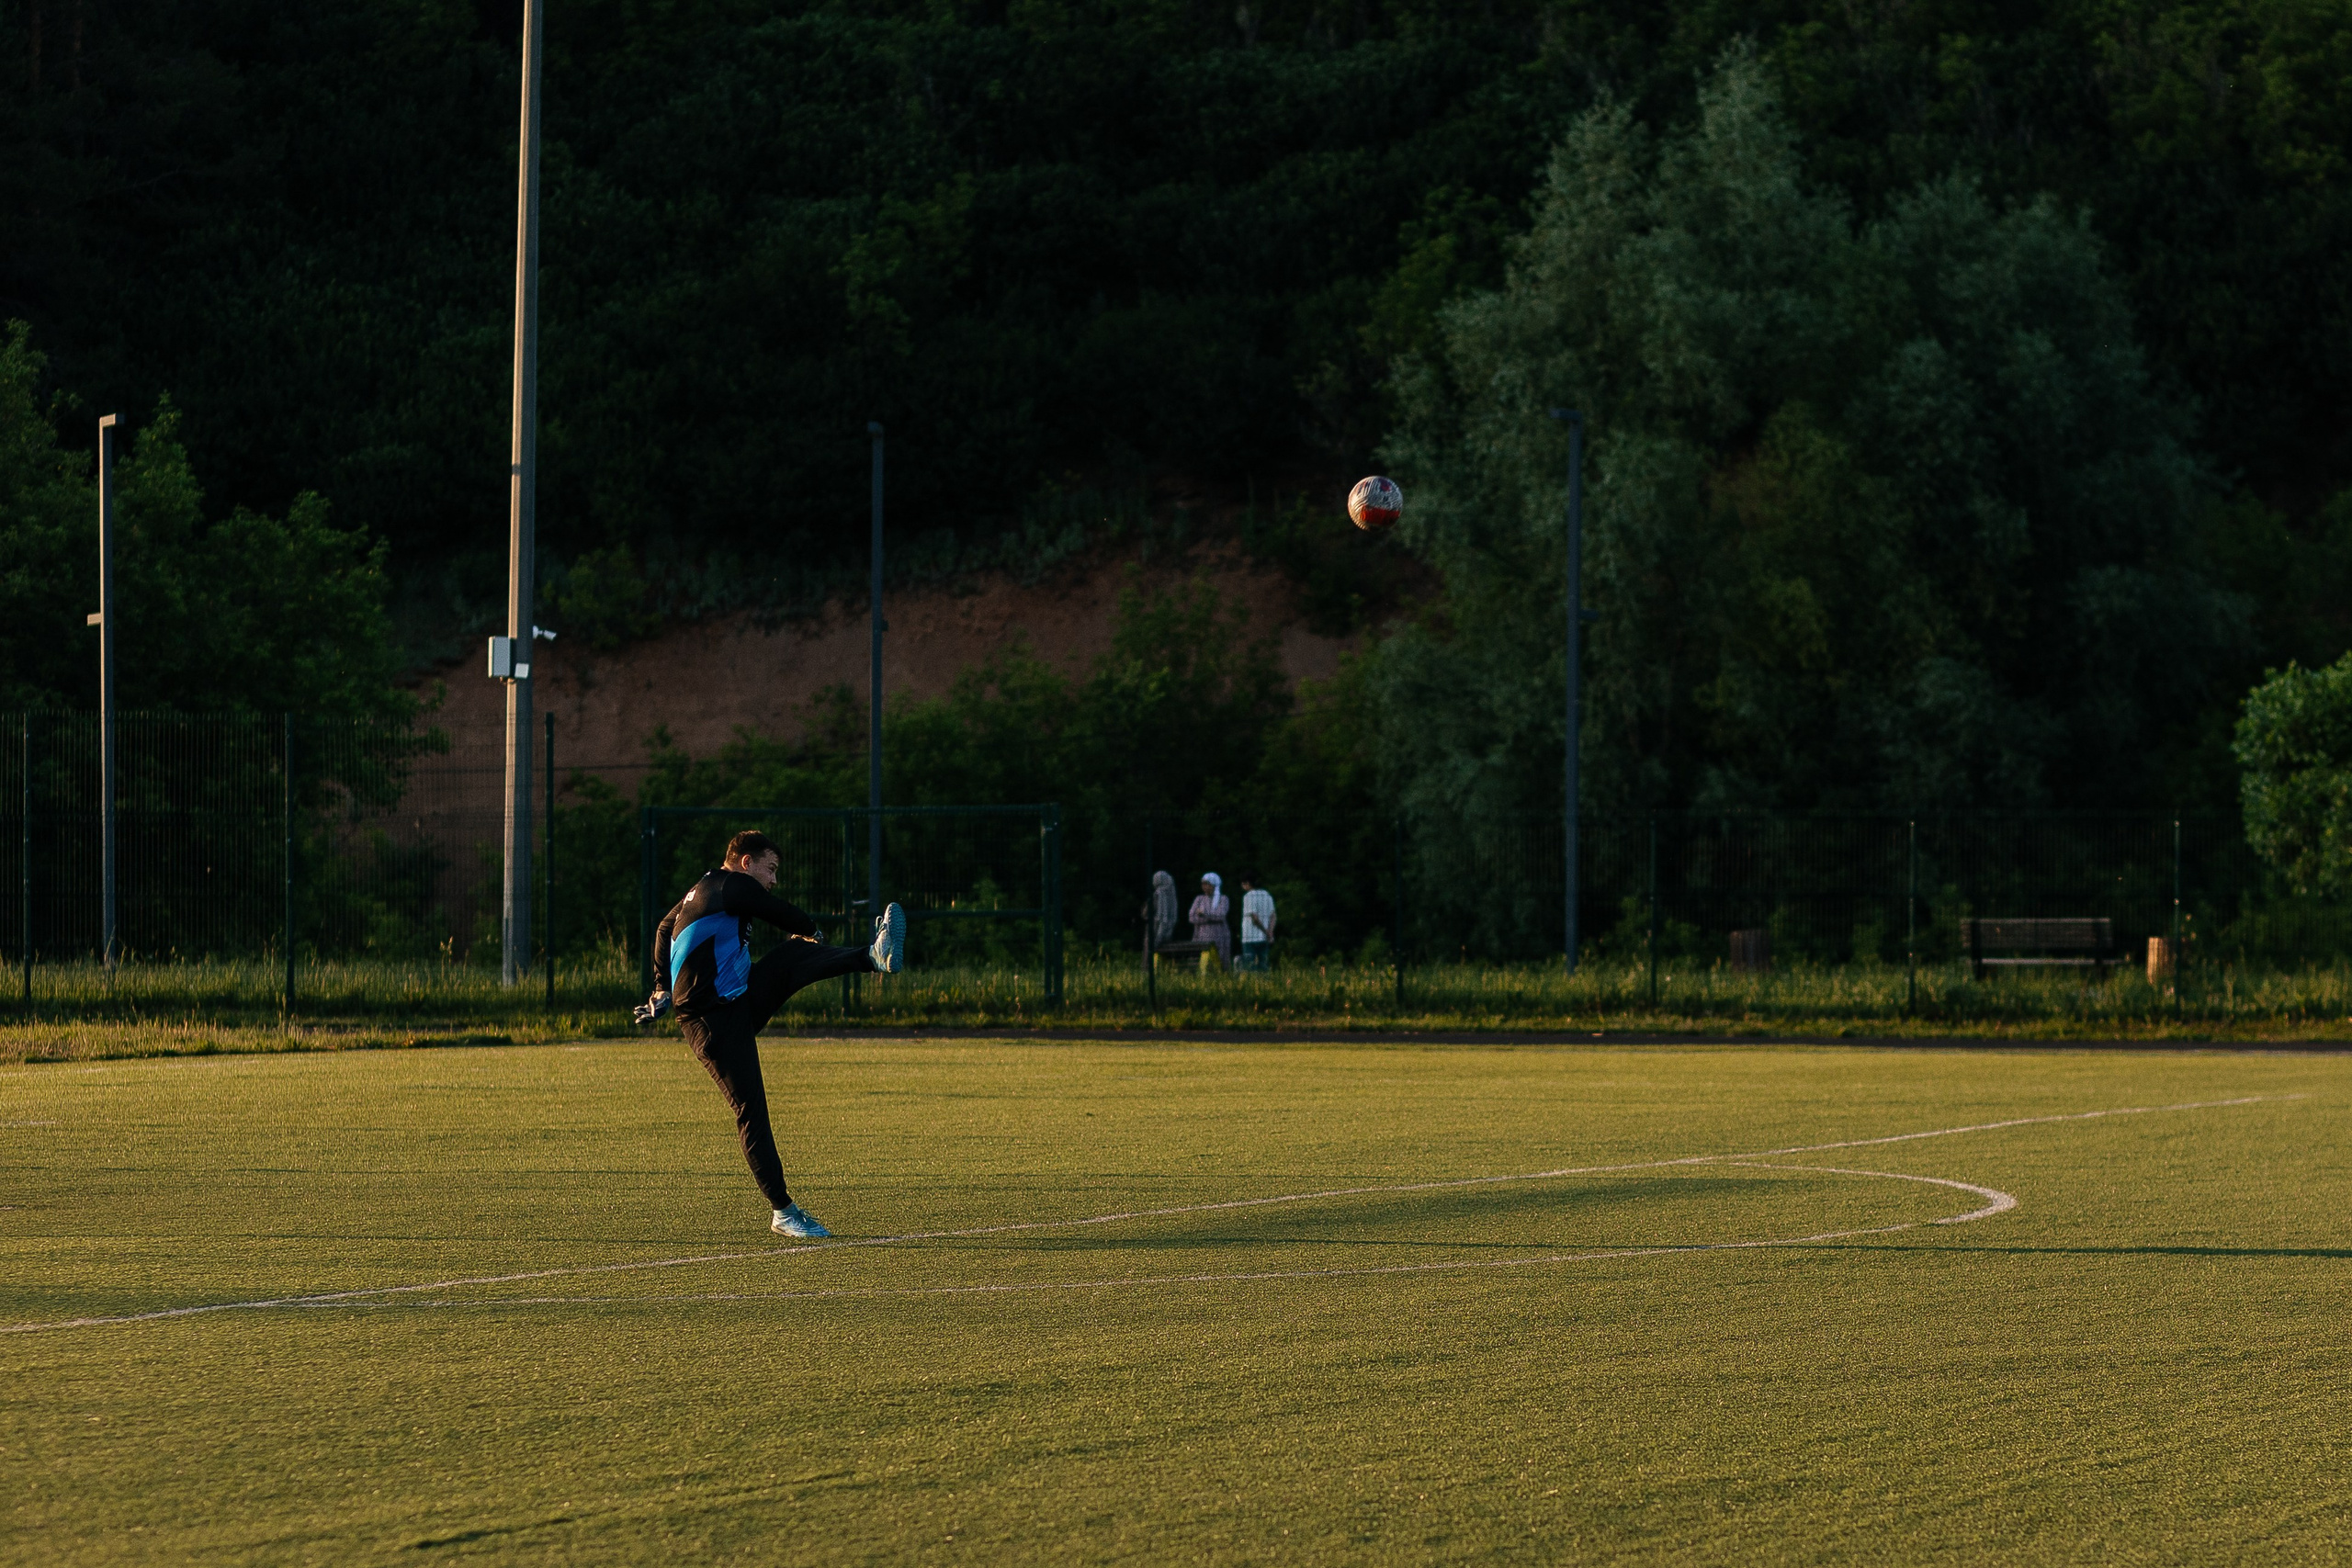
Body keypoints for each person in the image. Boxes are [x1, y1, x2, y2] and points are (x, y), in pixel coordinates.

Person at [634, 829, 906, 1239]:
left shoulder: (704, 888)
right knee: (751, 1112)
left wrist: (660, 987)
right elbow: (774, 909)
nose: (774, 878)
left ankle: (872, 956)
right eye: (771, 868)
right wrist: (810, 927)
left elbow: (662, 929)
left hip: (735, 1003)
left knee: (792, 954)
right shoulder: (732, 884)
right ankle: (783, 1211)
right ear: (746, 862)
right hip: (713, 1023)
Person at [1189, 873, 1231, 970]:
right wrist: (1209, 917)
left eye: (1207, 884)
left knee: (1220, 962)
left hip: (1220, 936)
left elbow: (1221, 916)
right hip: (1201, 936)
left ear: (1214, 885)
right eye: (1203, 884)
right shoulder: (1199, 899)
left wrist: (1204, 914)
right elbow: (1191, 917)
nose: (1204, 887)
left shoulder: (1223, 899)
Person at [1238, 877, 1276, 971]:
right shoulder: (1267, 895)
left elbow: (1254, 918)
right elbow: (1273, 915)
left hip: (1250, 937)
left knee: (1250, 967)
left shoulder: (1248, 896)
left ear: (1247, 883)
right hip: (1264, 938)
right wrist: (1270, 932)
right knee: (1263, 967)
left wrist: (1266, 931)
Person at [1143, 870, 1179, 951]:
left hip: (1155, 930)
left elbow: (1147, 913)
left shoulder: (1158, 893)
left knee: (1149, 955)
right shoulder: (1172, 893)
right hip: (1168, 932)